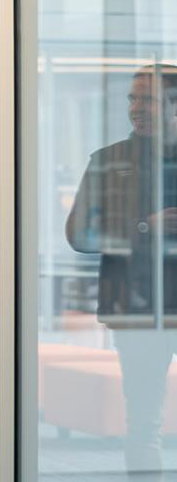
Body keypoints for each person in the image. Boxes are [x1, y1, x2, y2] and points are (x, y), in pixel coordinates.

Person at [67, 64, 177, 478]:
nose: (136, 108)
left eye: (147, 99)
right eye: (132, 98)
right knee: (145, 420)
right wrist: (146, 225)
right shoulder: (109, 160)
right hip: (137, 305)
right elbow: (79, 234)